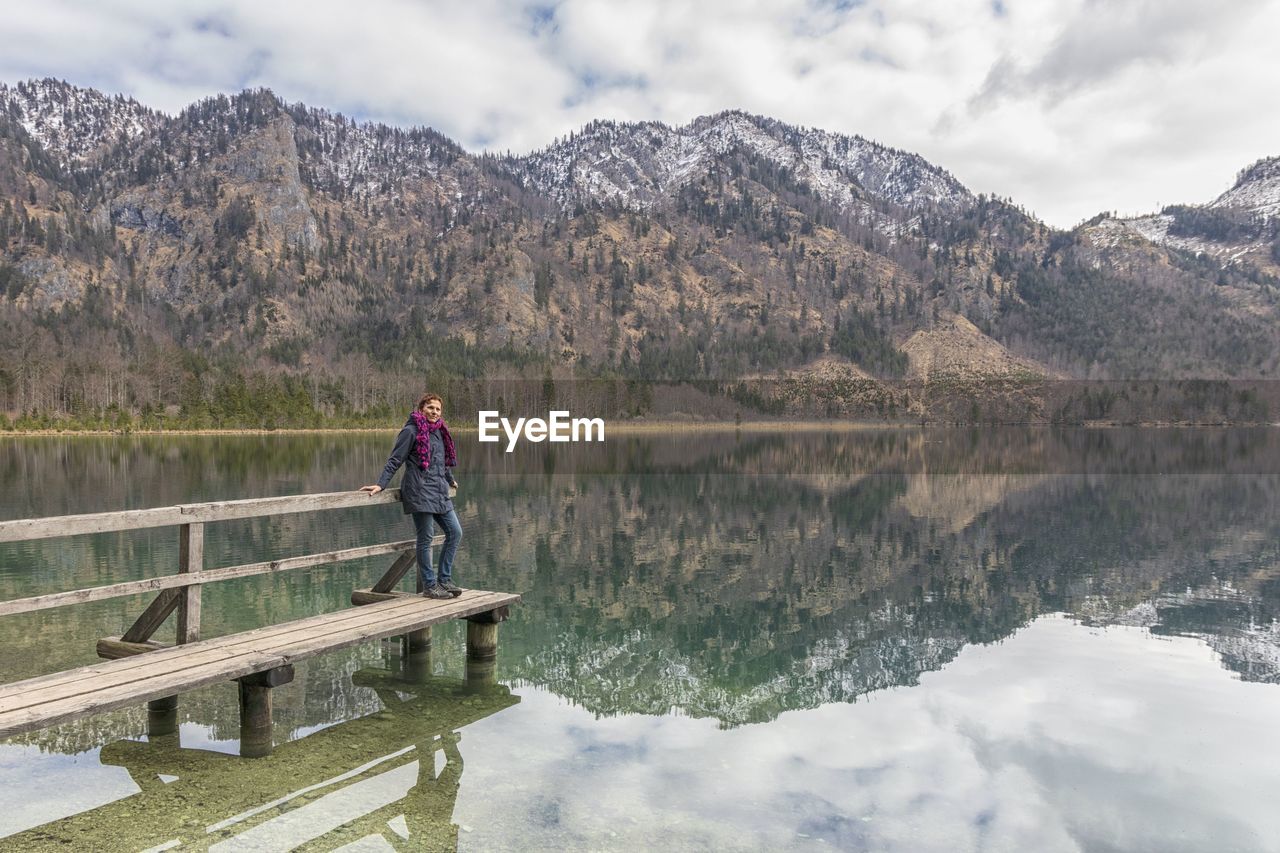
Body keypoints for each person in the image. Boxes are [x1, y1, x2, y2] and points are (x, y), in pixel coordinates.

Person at [361, 393, 462, 599]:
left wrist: (450, 479)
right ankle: (430, 585)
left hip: (439, 490)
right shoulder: (410, 431)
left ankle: (444, 579)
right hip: (419, 491)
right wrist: (381, 484)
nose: (434, 412)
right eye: (430, 408)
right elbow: (395, 460)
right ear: (421, 408)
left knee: (455, 532)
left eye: (438, 409)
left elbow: (441, 462)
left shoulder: (439, 432)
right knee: (426, 538)